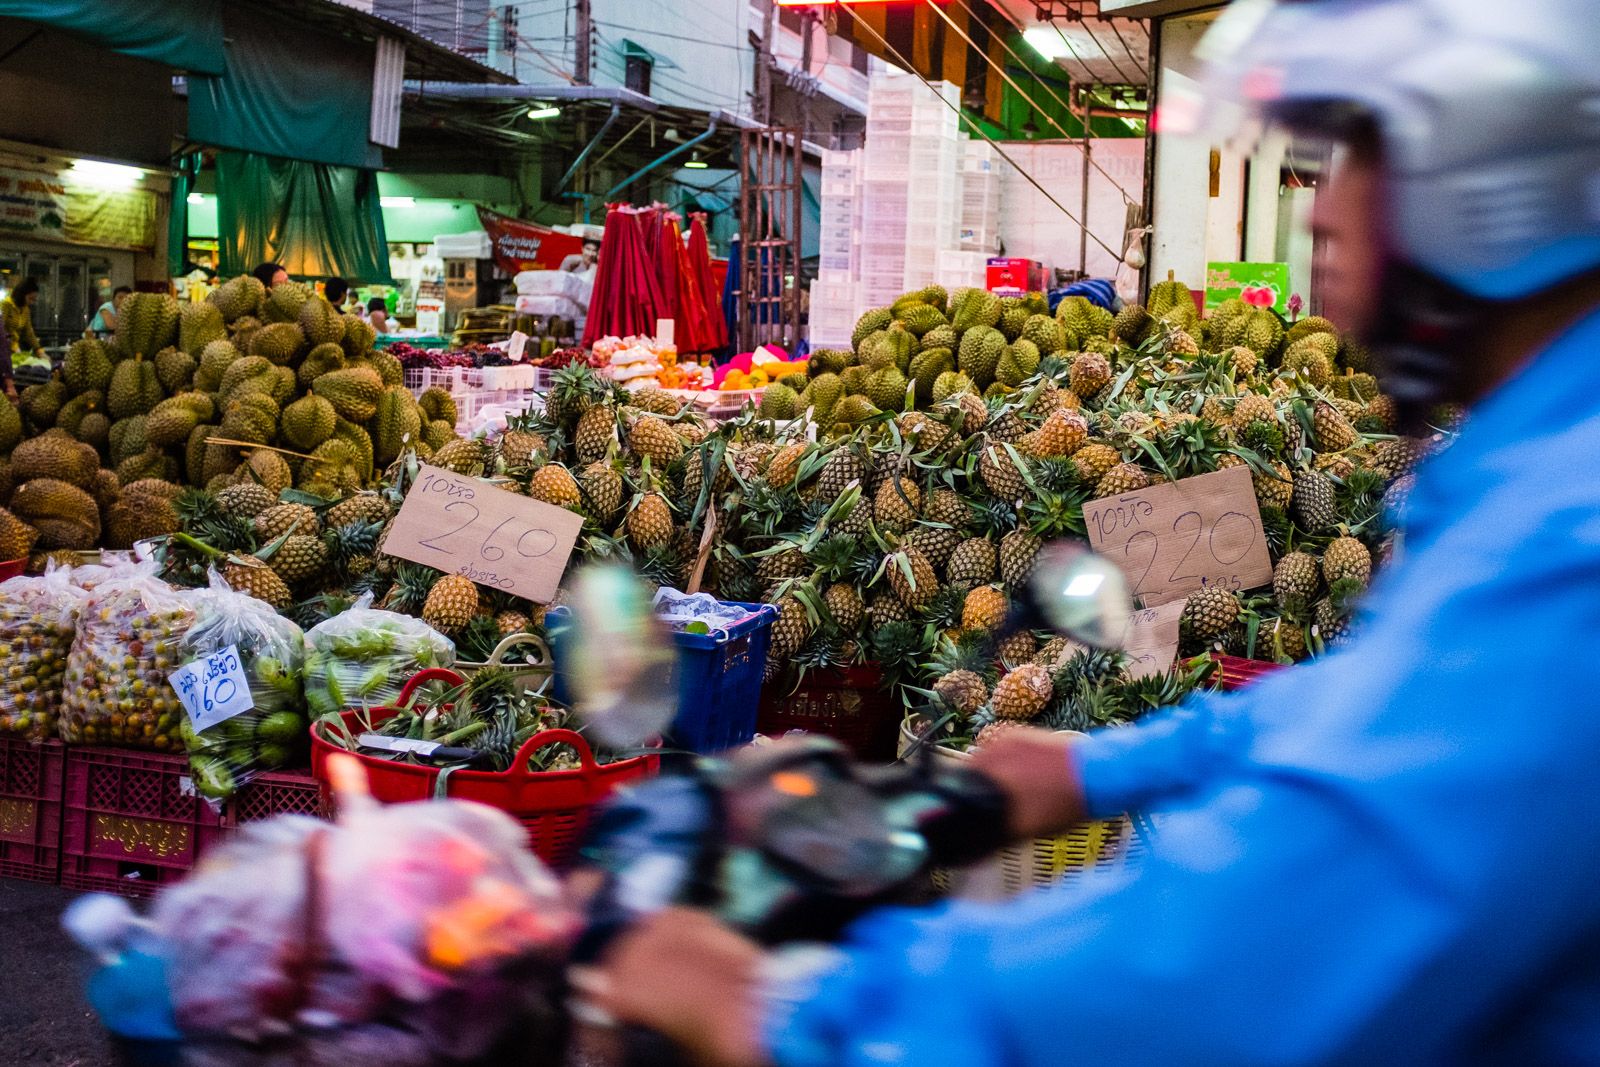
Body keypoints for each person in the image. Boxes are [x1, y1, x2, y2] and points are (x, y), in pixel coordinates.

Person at [586, 3, 1600, 1065]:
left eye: (1350, 162)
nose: (1320, 216)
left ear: (1488, 196)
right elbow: (1364, 705)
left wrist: (780, 1007)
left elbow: (1208, 973)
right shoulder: (1524, 479)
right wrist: (1091, 770)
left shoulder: (1562, 560)